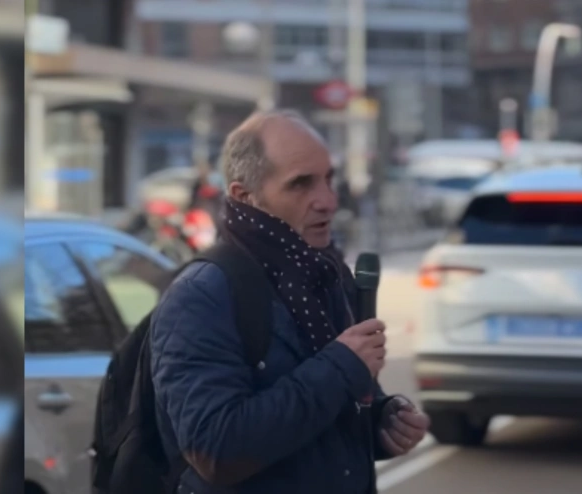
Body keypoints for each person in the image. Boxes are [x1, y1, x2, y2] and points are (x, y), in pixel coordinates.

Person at [150, 109, 430, 494]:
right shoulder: (202, 296)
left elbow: (329, 414)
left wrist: (382, 420)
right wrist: (340, 367)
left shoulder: (325, 274)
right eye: (301, 184)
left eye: (329, 180)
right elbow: (215, 450)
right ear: (245, 197)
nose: (328, 201)